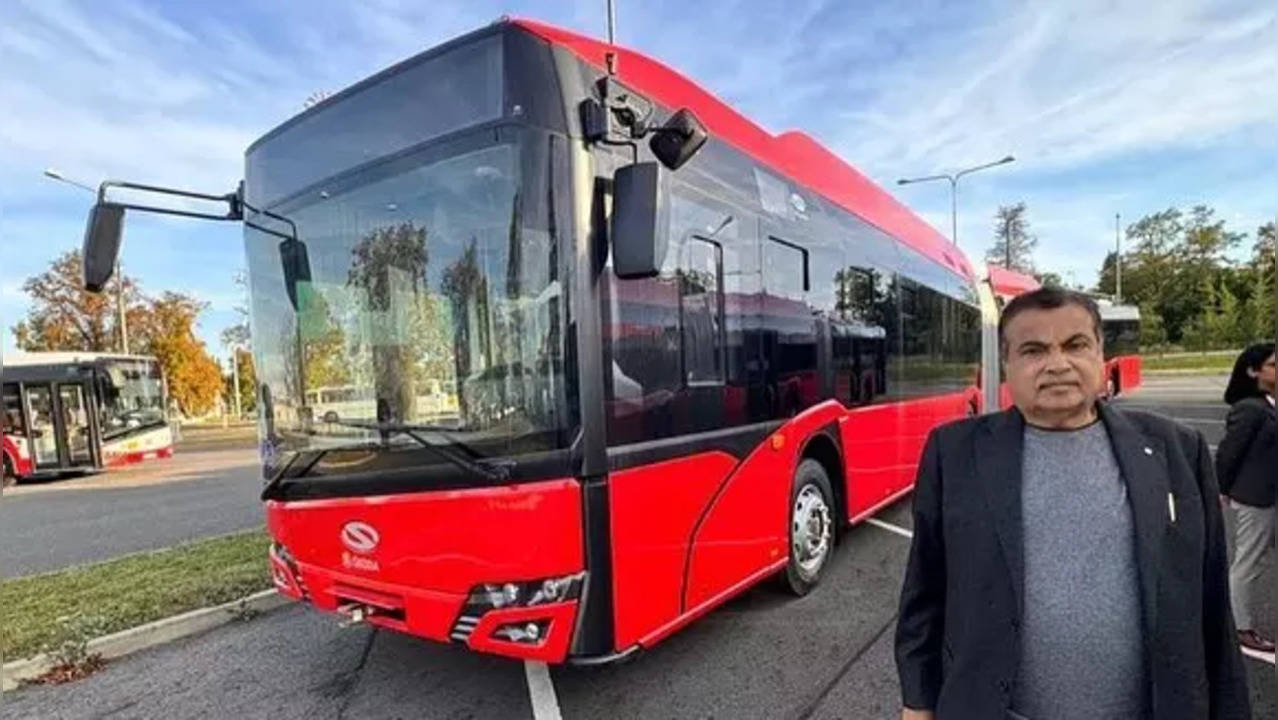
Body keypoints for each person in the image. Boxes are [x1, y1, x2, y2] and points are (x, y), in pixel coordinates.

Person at [895, 287, 1251, 720]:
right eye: (1033, 350)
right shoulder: (953, 453)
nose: (1057, 364)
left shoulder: (1176, 449)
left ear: (1101, 354)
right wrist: (917, 703)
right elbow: (925, 591)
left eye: (1075, 344)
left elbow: (1211, 602)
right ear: (1006, 365)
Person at [1216, 342, 1276, 656]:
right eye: (1273, 365)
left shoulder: (1269, 404)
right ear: (1254, 371)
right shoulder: (1249, 408)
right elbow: (1228, 454)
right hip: (1257, 499)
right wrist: (1219, 488)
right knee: (1248, 563)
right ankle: (1239, 627)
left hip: (1270, 497)